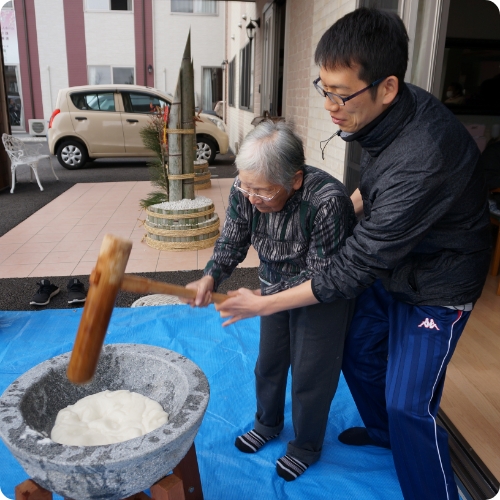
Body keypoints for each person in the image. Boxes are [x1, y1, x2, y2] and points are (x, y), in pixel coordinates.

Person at [215, 8, 491, 500]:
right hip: (391, 265)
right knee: (358, 353)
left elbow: (348, 270)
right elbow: (375, 193)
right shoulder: (389, 114)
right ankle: (385, 435)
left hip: (437, 284)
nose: (329, 105)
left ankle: (429, 482)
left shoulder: (424, 155)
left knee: (409, 404)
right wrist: (219, 271)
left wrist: (263, 303)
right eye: (323, 88)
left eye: (340, 94)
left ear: (386, 86)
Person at [185, 120, 356, 482]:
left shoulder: (328, 201)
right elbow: (232, 239)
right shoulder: (245, 186)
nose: (251, 197)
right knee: (269, 363)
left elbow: (323, 276)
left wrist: (264, 299)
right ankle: (267, 424)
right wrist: (211, 275)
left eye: (262, 192)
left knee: (312, 373)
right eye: (246, 186)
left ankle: (306, 446)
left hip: (321, 297)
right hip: (270, 287)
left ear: (294, 180)